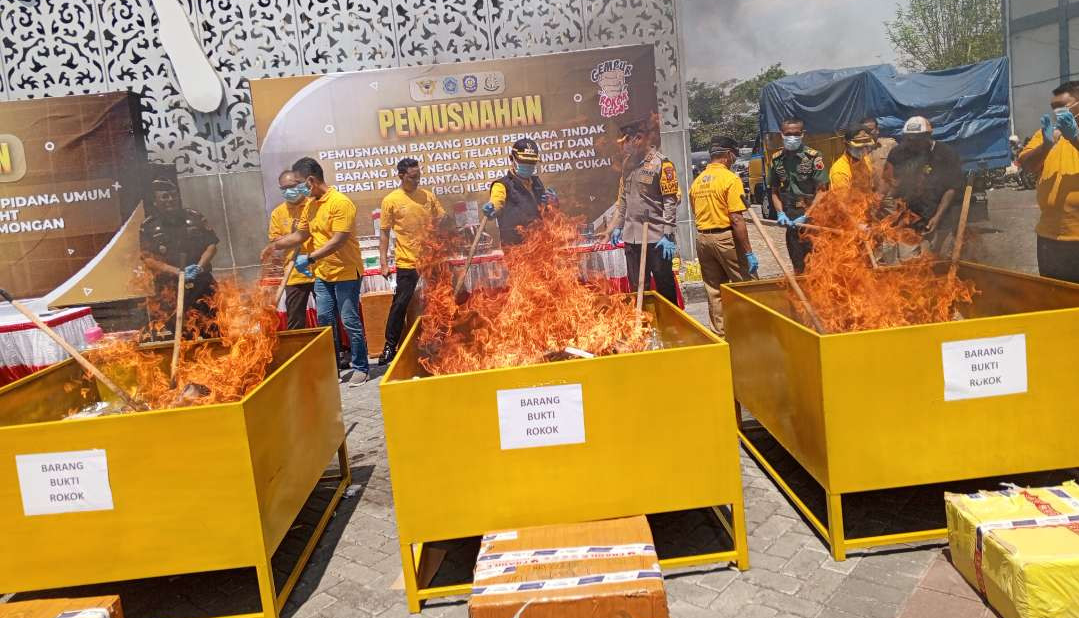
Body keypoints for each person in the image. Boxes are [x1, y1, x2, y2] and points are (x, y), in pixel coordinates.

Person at [268, 157, 370, 385]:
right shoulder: (311, 204)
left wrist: (310, 257)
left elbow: (338, 240)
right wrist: (275, 245)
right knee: (325, 322)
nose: (297, 188)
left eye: (299, 183)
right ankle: (330, 368)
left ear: (311, 181)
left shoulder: (340, 203)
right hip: (322, 274)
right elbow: (301, 235)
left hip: (345, 273)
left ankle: (360, 366)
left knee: (349, 319)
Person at [599, 117, 680, 305]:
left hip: (656, 238)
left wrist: (667, 234)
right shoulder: (627, 164)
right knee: (638, 287)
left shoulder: (662, 164)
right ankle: (645, 327)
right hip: (632, 237)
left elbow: (670, 200)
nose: (623, 148)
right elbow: (624, 200)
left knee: (664, 286)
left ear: (639, 138)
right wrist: (618, 226)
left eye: (625, 142)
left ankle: (671, 327)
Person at [688, 135, 759, 334]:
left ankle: (720, 334)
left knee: (714, 291)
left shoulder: (698, 181)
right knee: (745, 286)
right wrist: (748, 252)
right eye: (734, 155)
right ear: (728, 155)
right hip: (726, 239)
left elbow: (695, 212)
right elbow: (736, 219)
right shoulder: (730, 179)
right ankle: (751, 330)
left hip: (703, 240)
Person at [377, 158, 446, 365]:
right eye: (412, 177)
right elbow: (384, 234)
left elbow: (441, 219)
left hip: (431, 259)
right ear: (401, 176)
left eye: (419, 176)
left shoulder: (427, 196)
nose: (417, 180)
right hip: (407, 261)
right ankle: (390, 346)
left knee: (440, 301)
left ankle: (443, 340)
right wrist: (383, 262)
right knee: (400, 304)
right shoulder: (391, 200)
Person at [139, 178, 219, 339]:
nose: (170, 200)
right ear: (155, 201)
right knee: (178, 331)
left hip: (201, 283)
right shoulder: (149, 226)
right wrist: (177, 272)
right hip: (170, 287)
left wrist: (199, 268)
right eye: (165, 197)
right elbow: (148, 259)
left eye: (173, 195)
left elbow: (211, 245)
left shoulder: (194, 217)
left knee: (212, 326)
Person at [1017, 80, 1079, 282]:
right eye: (1054, 107)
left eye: (1063, 106)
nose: (1057, 111)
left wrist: (1075, 138)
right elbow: (1026, 165)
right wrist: (1046, 145)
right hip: (1049, 238)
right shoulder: (1045, 134)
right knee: (1054, 296)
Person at [886, 116, 964, 254]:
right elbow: (891, 182)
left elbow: (951, 188)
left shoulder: (945, 154)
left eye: (916, 139)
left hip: (939, 215)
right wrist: (884, 204)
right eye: (908, 139)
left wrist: (937, 217)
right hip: (909, 217)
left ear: (928, 136)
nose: (911, 143)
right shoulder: (898, 153)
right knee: (911, 260)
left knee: (939, 258)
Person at [767, 117, 828, 273]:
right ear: (781, 134)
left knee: (818, 267)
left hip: (812, 219)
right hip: (791, 219)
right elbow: (774, 191)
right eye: (788, 133)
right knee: (799, 267)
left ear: (802, 134)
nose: (792, 137)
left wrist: (807, 215)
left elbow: (823, 190)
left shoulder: (813, 157)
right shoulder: (777, 160)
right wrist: (780, 213)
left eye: (796, 133)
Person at [482, 138, 552, 246]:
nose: (528, 165)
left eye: (531, 162)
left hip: (541, 246)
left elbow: (545, 213)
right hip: (516, 251)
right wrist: (493, 208)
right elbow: (497, 202)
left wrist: (552, 204)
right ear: (512, 159)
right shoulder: (501, 185)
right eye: (523, 161)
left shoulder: (537, 183)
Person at [268, 169, 314, 330]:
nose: (288, 191)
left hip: (319, 269)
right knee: (295, 319)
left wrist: (299, 235)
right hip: (294, 272)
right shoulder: (278, 213)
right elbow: (276, 241)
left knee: (326, 315)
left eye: (291, 186)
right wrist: (294, 236)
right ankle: (298, 350)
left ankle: (334, 350)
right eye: (283, 188)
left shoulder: (313, 204)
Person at [829, 125, 877, 192]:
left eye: (866, 141)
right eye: (859, 142)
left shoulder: (866, 159)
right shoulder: (840, 171)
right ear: (847, 144)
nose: (864, 149)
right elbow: (841, 201)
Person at [861, 116, 897, 194]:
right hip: (867, 199)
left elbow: (902, 170)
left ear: (877, 130)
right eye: (864, 130)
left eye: (870, 130)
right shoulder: (857, 151)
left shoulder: (890, 145)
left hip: (888, 197)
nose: (867, 133)